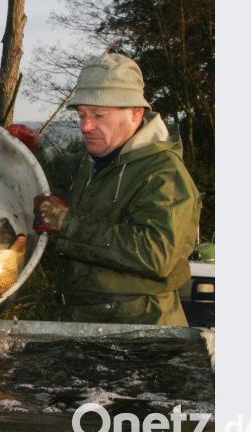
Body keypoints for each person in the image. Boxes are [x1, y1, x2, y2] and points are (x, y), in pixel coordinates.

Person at [28, 53, 201, 326]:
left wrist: (67, 223)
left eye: (99, 115)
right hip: (80, 320)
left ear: (135, 113)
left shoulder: (163, 173)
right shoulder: (90, 161)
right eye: (82, 114)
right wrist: (30, 152)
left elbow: (156, 254)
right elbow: (53, 183)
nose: (86, 126)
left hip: (140, 332)